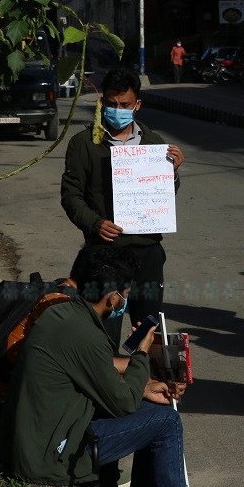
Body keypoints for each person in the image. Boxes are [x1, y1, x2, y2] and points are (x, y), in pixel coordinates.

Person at [0, 244, 216, 487]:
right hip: (52, 458)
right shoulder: (84, 332)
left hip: (41, 439)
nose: (125, 301)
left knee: (152, 408)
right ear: (112, 297)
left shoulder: (62, 314)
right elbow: (122, 403)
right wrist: (142, 355)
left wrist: (145, 387)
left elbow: (97, 372)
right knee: (166, 421)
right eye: (125, 294)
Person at [61, 68, 185, 341]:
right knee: (102, 334)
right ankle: (106, 368)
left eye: (125, 105)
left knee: (148, 331)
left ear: (137, 105)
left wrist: (172, 172)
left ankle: (143, 369)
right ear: (102, 102)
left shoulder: (154, 144)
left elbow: (163, 196)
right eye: (111, 104)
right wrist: (96, 223)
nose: (118, 110)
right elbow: (71, 196)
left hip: (147, 253)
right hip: (104, 253)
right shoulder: (83, 144)